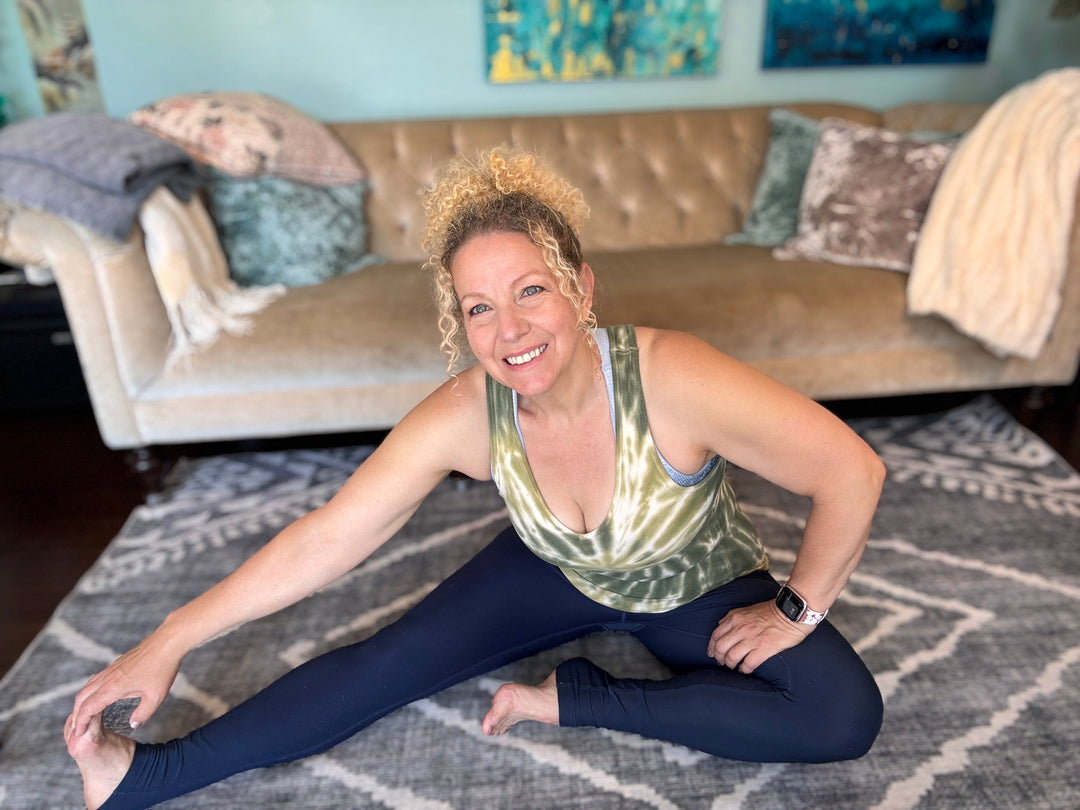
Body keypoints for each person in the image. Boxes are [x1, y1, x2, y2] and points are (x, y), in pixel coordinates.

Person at [65, 147, 886, 810]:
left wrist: (795, 609)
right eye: (480, 307)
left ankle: (582, 698)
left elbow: (852, 469)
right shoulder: (466, 412)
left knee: (840, 715)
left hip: (694, 584)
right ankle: (140, 776)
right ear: (460, 320)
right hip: (555, 571)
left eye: (531, 290)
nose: (511, 330)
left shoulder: (672, 376)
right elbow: (329, 536)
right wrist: (168, 639)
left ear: (580, 288)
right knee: (384, 665)